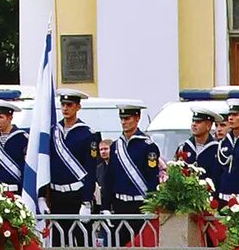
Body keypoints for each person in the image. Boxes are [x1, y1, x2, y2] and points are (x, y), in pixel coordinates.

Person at [99, 103, 163, 214]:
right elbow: (109, 177)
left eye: (127, 118)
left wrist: (151, 205)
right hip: (119, 204)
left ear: (137, 118)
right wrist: (105, 207)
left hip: (140, 204)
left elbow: (152, 177)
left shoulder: (148, 146)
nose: (123, 122)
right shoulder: (115, 146)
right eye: (121, 119)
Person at [42, 94, 95, 222]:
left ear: (78, 107)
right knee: (58, 239)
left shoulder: (87, 133)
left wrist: (86, 201)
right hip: (56, 195)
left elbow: (91, 169)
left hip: (76, 193)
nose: (65, 108)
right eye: (63, 104)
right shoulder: (53, 131)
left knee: (81, 239)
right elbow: (44, 164)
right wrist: (42, 196)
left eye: (69, 105)